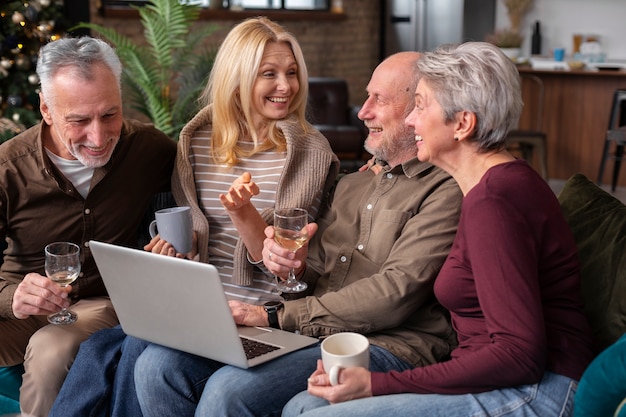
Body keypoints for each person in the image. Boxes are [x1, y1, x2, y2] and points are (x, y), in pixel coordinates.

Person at [133, 51, 463, 417]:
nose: (362, 111)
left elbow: (394, 293)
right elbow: (312, 274)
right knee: (157, 368)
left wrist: (272, 316)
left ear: (421, 107)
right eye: (366, 97)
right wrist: (293, 265)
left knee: (230, 392)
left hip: (389, 345)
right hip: (312, 334)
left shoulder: (445, 188)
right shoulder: (353, 183)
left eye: (378, 100)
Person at [282, 41, 596, 417]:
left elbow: (519, 355)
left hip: (541, 389)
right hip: (508, 378)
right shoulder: (493, 186)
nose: (411, 120)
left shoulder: (493, 202)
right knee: (306, 405)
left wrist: (377, 385)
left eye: (420, 105)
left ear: (462, 124)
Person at [48, 16, 339, 417]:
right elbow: (192, 241)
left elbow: (288, 270)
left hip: (263, 315)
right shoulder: (195, 141)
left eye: (292, 73)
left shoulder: (309, 152)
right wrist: (172, 253)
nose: (286, 86)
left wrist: (243, 213)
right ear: (237, 78)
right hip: (197, 310)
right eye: (268, 73)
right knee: (126, 356)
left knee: (145, 359)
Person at [0, 36, 177, 417]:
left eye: (110, 115)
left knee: (52, 351)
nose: (98, 138)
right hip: (21, 307)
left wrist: (181, 236)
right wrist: (11, 295)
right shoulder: (7, 169)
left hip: (102, 301)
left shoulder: (149, 149)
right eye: (79, 120)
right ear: (46, 109)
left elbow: (197, 190)